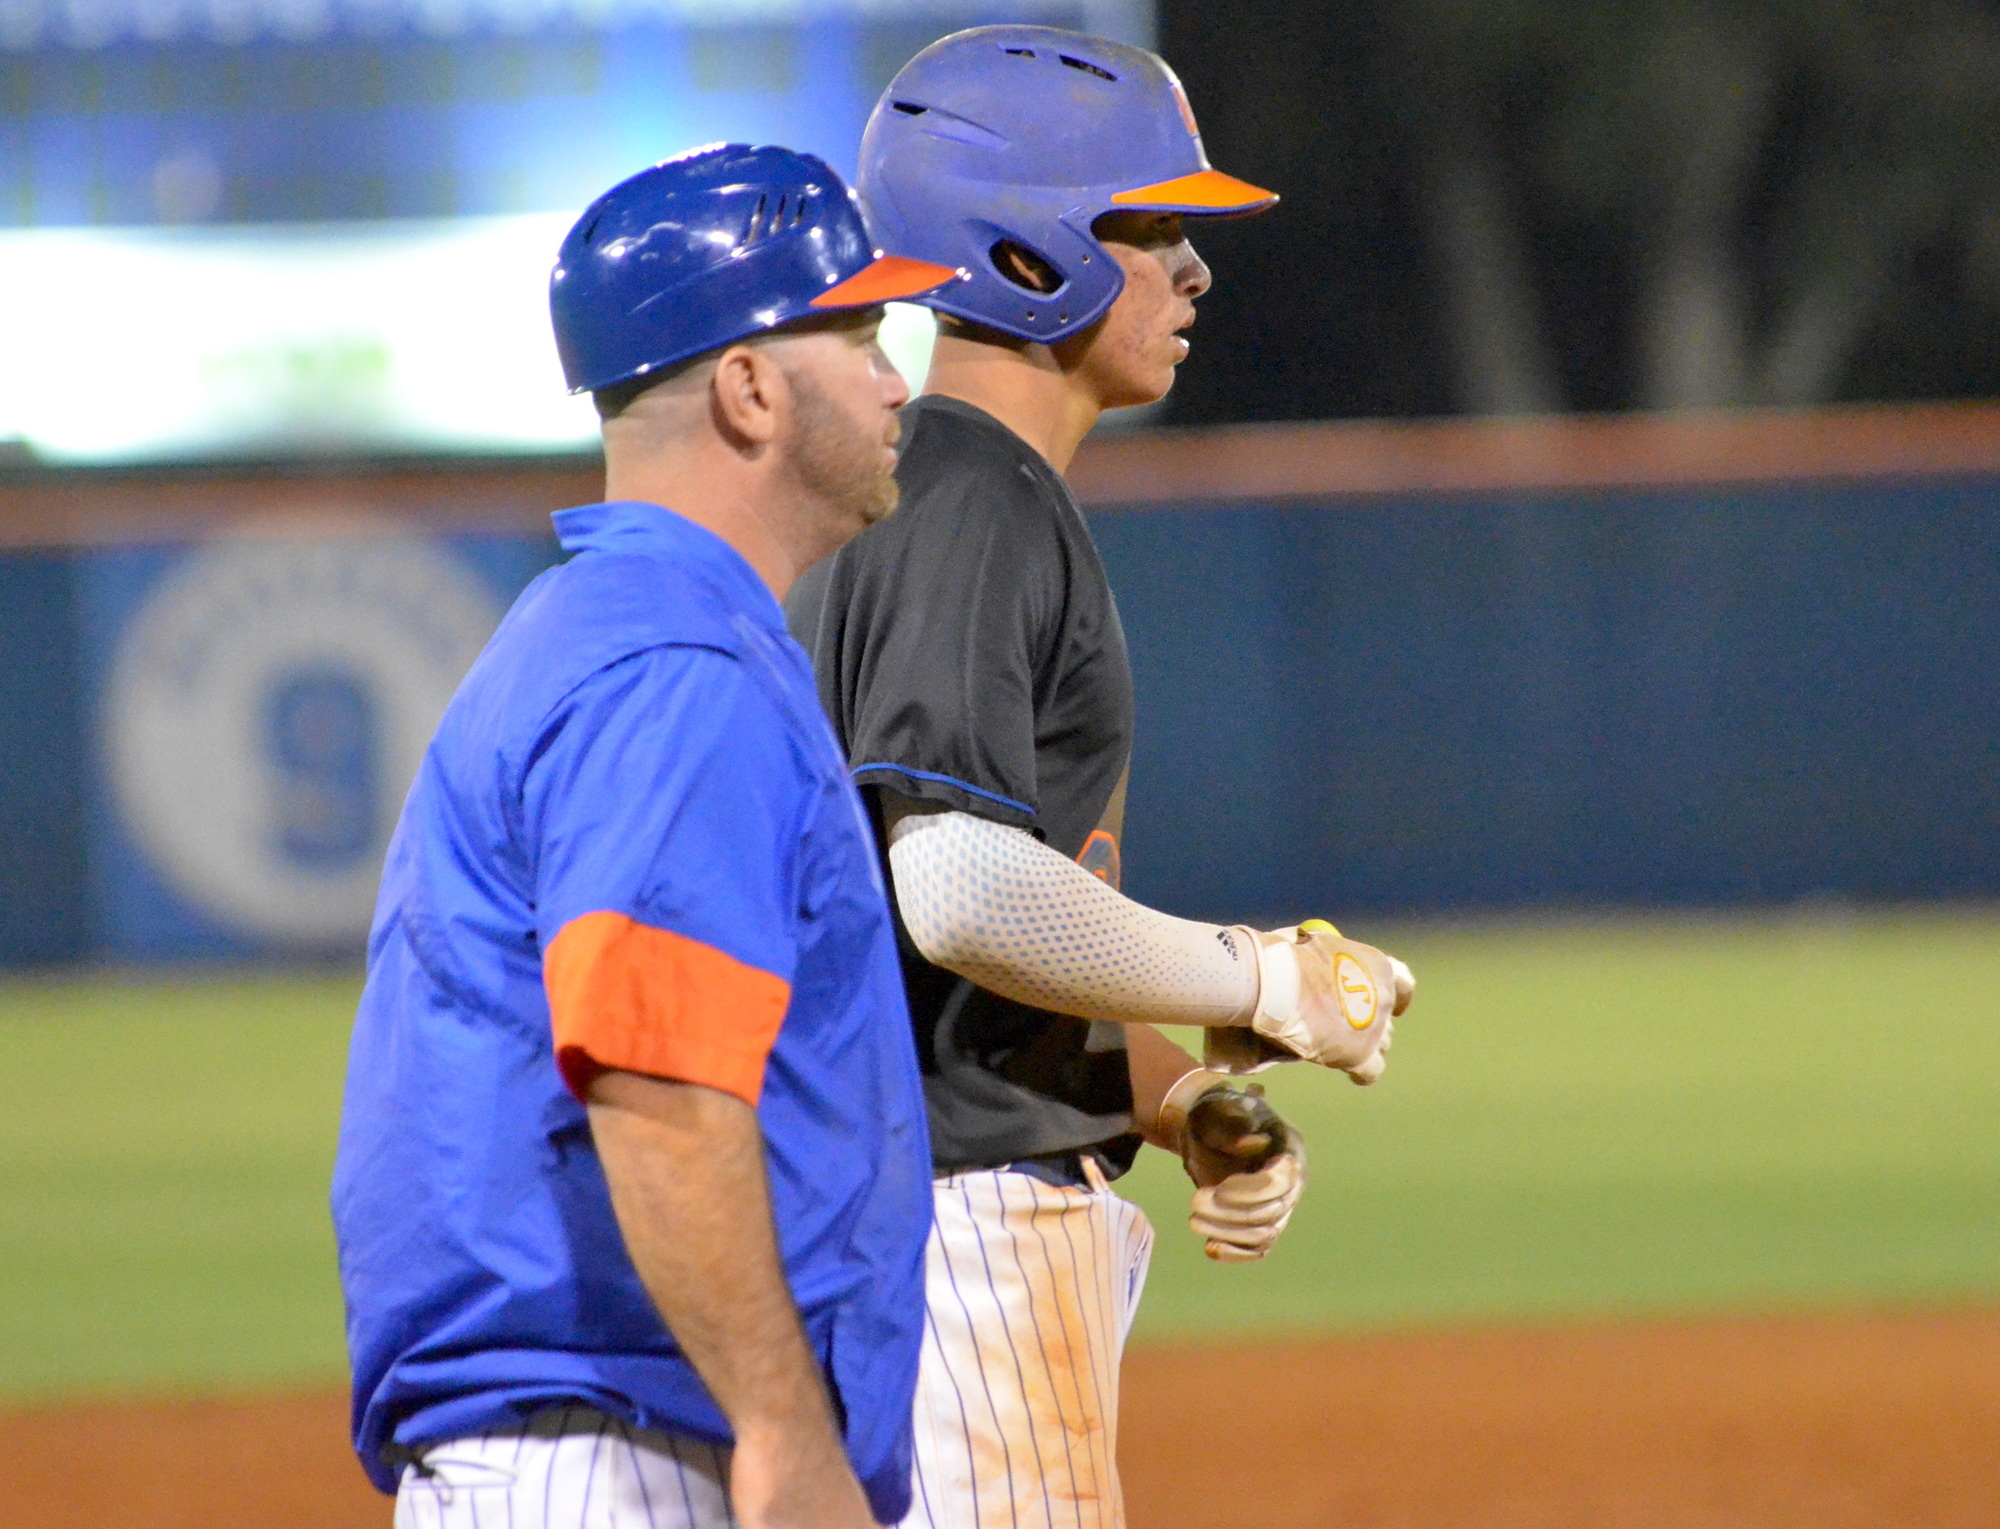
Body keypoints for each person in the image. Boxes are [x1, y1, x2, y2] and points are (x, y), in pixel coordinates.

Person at [784, 28, 1416, 1527]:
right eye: (1150, 225)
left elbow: (953, 966)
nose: (1192, 270)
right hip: (961, 1242)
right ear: (1020, 255)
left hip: (886, 1220)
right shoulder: (974, 500)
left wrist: (1183, 1092)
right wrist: (1254, 976)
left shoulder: (915, 499)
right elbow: (954, 887)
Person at [331, 143, 964, 1529]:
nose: (894, 376)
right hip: (620, 1453)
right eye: (858, 330)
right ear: (749, 386)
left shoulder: (635, 632)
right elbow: (658, 1077)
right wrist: (788, 1433)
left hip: (600, 1442)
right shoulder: (676, 665)